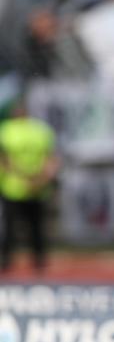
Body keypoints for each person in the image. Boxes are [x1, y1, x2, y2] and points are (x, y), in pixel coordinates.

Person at [0, 102, 60, 272]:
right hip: (36, 188)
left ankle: (7, 264)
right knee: (36, 229)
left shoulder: (6, 130)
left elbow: (4, 159)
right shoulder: (41, 130)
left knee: (11, 229)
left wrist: (24, 178)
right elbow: (52, 159)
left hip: (14, 187)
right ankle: (39, 265)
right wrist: (40, 179)